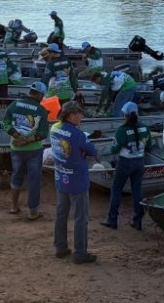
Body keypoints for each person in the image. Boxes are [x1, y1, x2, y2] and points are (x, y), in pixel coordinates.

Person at [51, 102, 98, 264]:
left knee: (61, 213)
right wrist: (82, 151)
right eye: (80, 114)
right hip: (77, 180)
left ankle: (60, 247)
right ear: (72, 116)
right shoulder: (78, 134)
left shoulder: (54, 127)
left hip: (61, 176)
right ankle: (80, 252)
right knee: (80, 217)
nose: (82, 117)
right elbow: (92, 150)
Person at [2, 82, 51, 220]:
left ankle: (14, 206)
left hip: (16, 148)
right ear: (40, 95)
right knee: (34, 180)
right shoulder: (41, 110)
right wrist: (27, 140)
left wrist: (17, 136)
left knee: (16, 175)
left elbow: (5, 123)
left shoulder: (14, 104)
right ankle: (33, 212)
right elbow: (43, 133)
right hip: (34, 150)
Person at [100, 101, 150, 230]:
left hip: (125, 162)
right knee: (137, 190)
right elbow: (149, 145)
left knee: (116, 189)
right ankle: (138, 221)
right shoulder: (145, 128)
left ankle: (112, 220)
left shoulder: (122, 130)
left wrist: (112, 147)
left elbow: (114, 149)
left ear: (124, 114)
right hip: (140, 161)